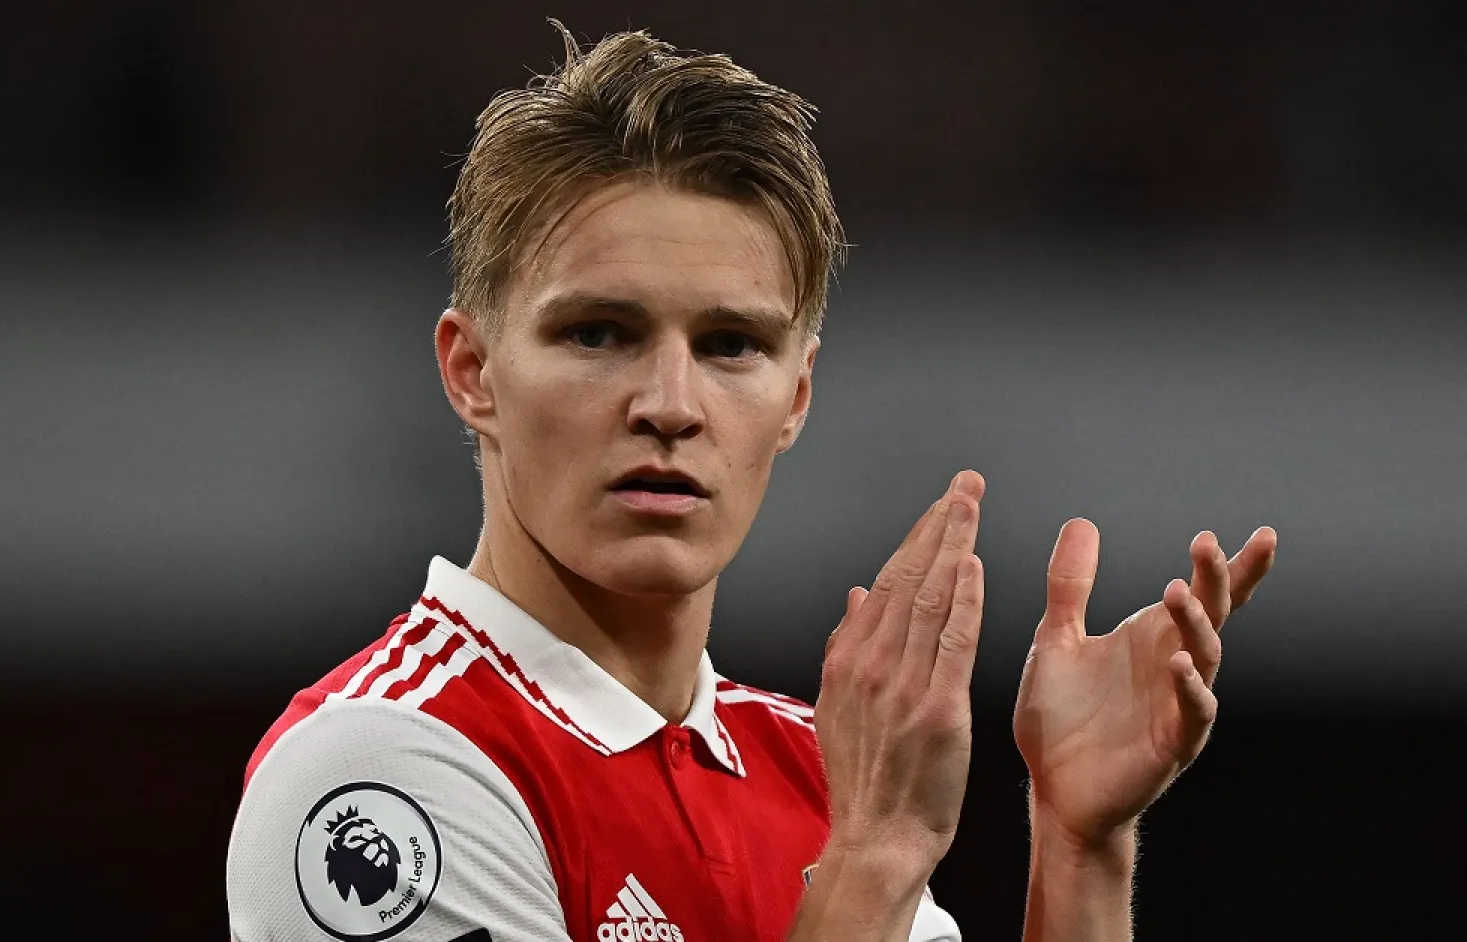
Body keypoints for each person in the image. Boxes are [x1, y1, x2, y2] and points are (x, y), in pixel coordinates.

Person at [226, 22, 1277, 942]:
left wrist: (1082, 847)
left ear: (797, 398)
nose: (670, 404)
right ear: (473, 374)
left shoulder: (820, 774)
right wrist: (869, 863)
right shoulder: (379, 774)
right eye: (599, 333)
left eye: (731, 344)